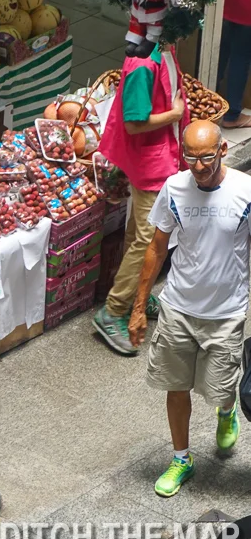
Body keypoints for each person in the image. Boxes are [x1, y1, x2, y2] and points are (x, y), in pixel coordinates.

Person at [129, 121, 251, 497]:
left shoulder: (245, 192)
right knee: (176, 386)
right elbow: (156, 247)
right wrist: (137, 306)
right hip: (178, 307)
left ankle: (226, 409)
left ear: (224, 151)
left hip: (227, 312)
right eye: (191, 157)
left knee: (219, 389)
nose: (198, 166)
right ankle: (182, 458)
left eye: (207, 158)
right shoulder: (175, 188)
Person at [92, 35, 188, 356]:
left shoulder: (165, 48)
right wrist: (175, 115)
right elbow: (134, 124)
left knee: (139, 228)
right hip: (151, 162)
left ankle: (136, 293)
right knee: (149, 239)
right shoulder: (143, 66)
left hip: (161, 156)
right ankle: (114, 310)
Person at [217, 0, 251, 128]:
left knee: (223, 48)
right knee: (241, 55)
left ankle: (208, 102)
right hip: (247, 5)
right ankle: (232, 115)